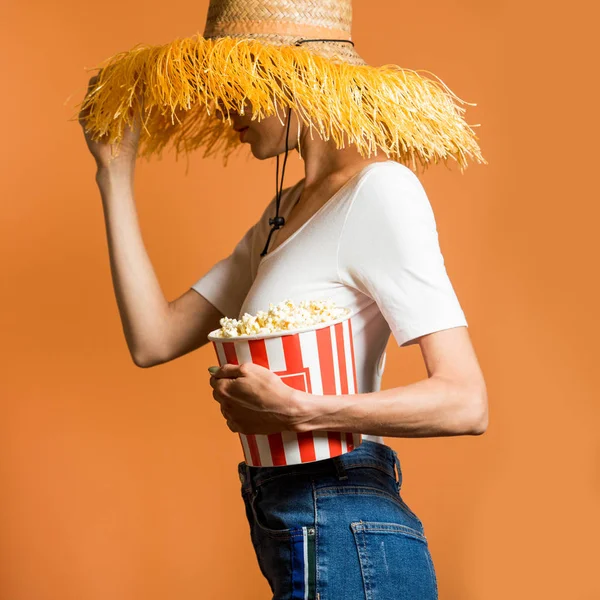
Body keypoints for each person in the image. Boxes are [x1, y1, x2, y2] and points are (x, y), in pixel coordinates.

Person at [77, 1, 488, 597]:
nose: (222, 107)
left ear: (289, 73)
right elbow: (153, 339)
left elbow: (465, 401)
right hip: (298, 526)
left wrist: (301, 411)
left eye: (236, 83)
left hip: (349, 529)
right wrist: (113, 175)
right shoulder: (284, 213)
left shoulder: (381, 191)